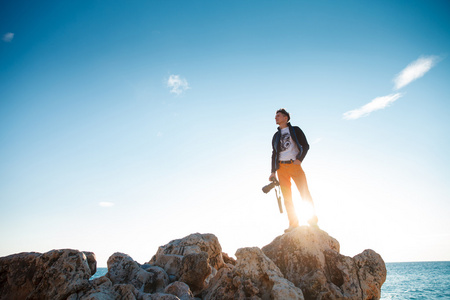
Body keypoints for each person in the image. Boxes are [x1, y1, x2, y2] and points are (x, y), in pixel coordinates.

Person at [269, 108, 318, 232]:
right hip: (281, 168)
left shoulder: (295, 130)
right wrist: (273, 171)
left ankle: (312, 222)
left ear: (286, 118)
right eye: (276, 116)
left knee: (304, 193)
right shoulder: (275, 136)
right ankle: (293, 224)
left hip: (294, 165)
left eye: (278, 116)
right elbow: (274, 153)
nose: (276, 118)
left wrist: (299, 159)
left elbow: (306, 146)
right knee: (287, 198)